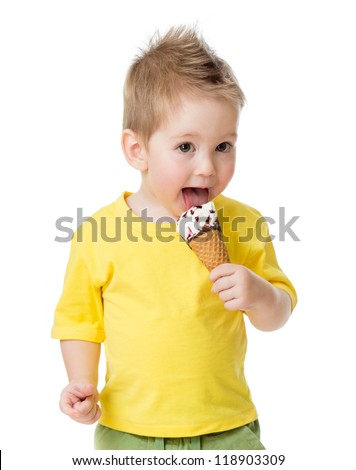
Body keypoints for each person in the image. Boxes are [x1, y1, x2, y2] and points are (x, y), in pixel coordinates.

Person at [52, 26, 297, 451]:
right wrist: (81, 381)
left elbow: (278, 312)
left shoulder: (244, 224)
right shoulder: (96, 234)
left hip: (228, 427)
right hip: (127, 431)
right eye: (186, 147)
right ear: (137, 150)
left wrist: (260, 295)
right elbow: (80, 322)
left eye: (223, 145)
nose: (207, 167)